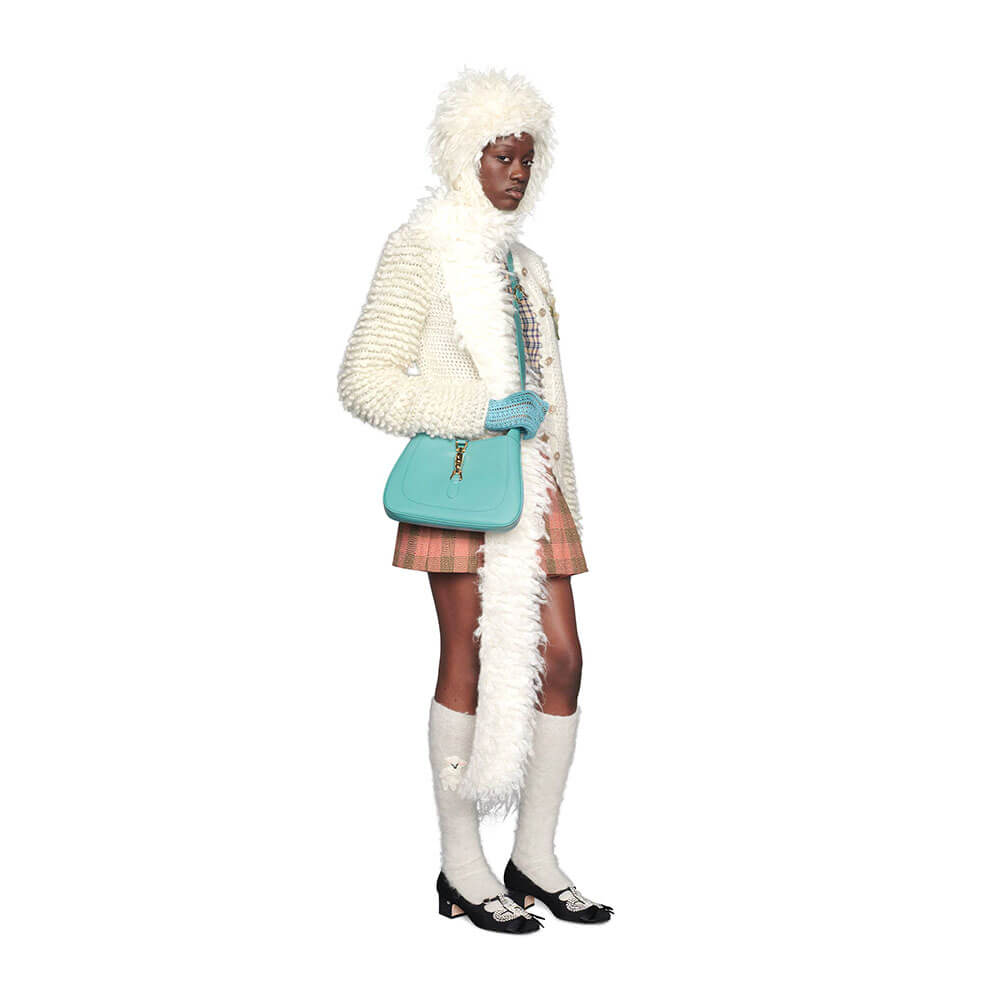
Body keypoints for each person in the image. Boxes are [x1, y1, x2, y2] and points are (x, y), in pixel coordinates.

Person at [338, 68, 613, 934]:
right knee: (467, 656)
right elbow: (364, 380)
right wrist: (480, 410)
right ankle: (461, 867)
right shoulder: (419, 247)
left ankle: (534, 857)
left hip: (538, 488)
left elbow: (555, 397)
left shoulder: (529, 266)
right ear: (465, 156)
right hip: (463, 479)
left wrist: (566, 491)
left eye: (527, 158)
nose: (516, 172)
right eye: (501, 156)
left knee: (562, 662)